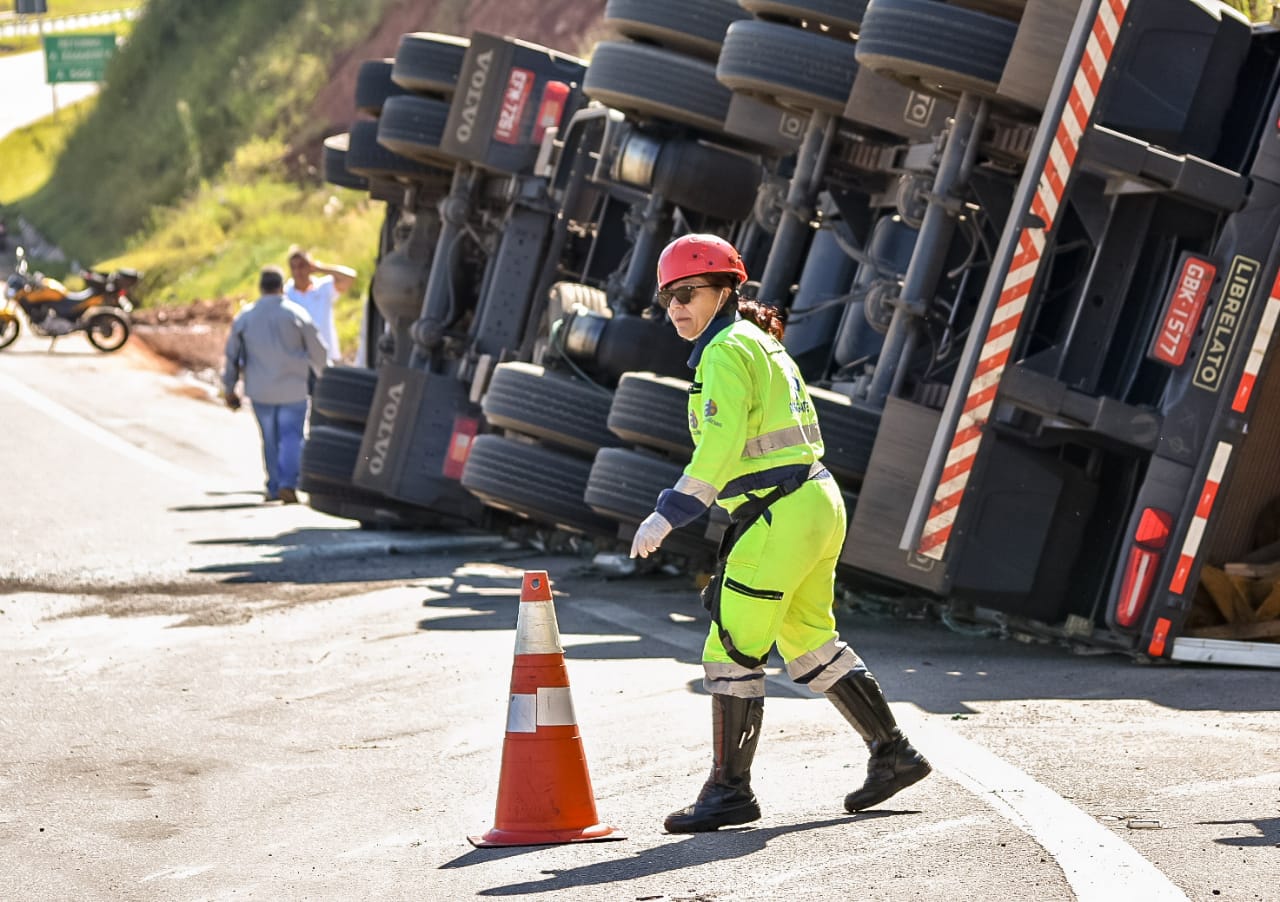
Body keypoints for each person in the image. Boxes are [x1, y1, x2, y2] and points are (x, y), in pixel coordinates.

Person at [629, 234, 931, 833]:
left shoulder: (723, 353)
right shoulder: (759, 342)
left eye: (689, 293)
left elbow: (719, 447)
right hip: (814, 505)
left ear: (724, 290)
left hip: (777, 513)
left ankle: (728, 792)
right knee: (811, 641)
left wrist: (668, 513)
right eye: (668, 299)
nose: (677, 308)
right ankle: (893, 754)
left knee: (732, 649)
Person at [223, 265, 328, 504]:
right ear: (282, 286)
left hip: (261, 390)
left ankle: (273, 485)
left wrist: (230, 387)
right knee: (292, 437)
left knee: (269, 438)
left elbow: (232, 355)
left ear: (261, 287)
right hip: (294, 388)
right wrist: (324, 376)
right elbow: (318, 349)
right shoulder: (296, 314)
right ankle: (288, 483)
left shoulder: (246, 317)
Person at [284, 245, 356, 365]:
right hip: (300, 357)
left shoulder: (323, 287)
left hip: (328, 354)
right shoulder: (286, 293)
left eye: (302, 266)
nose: (298, 271)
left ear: (310, 266)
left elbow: (350, 276)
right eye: (293, 267)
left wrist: (320, 268)